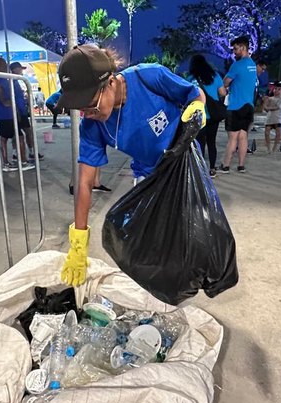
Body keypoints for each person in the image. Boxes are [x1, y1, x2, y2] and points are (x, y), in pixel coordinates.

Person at [55, 44, 206, 286]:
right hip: (148, 177)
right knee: (151, 240)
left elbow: (195, 94)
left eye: (91, 105)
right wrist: (78, 241)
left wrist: (198, 106)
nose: (88, 114)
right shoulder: (93, 126)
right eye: (81, 109)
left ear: (111, 83)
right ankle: (164, 288)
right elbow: (84, 182)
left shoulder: (149, 77)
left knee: (190, 232)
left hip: (184, 167)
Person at [220, 35, 257, 174]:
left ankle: (225, 165)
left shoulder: (237, 65)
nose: (234, 52)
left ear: (242, 47)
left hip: (236, 105)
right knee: (243, 137)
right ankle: (241, 166)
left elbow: (225, 82)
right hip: (249, 105)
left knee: (232, 138)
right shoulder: (252, 64)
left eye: (235, 49)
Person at [188, 54, 226, 178]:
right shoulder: (215, 76)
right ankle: (212, 168)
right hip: (213, 115)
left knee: (199, 142)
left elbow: (186, 95)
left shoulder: (191, 78)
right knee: (211, 142)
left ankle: (200, 168)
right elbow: (222, 92)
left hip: (198, 114)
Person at [0, 58, 32, 171]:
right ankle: (20, 161)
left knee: (11, 137)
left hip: (10, 113)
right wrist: (4, 101)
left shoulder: (6, 78)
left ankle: (11, 161)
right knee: (14, 137)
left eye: (5, 64)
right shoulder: (0, 77)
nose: (5, 66)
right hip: (5, 114)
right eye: (2, 64)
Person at [9, 62, 44, 163]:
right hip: (18, 112)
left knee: (22, 133)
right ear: (15, 69)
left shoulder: (16, 82)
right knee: (22, 133)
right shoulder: (12, 82)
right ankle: (22, 154)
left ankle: (24, 153)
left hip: (21, 111)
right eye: (20, 69)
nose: (22, 71)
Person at [262, 83, 281, 153]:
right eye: (275, 89)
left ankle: (275, 148)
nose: (276, 91)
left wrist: (268, 107)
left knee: (278, 133)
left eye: (279, 89)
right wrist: (265, 101)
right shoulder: (269, 98)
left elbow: (277, 107)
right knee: (267, 132)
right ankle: (268, 147)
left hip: (277, 118)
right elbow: (265, 108)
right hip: (269, 118)